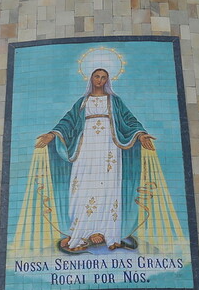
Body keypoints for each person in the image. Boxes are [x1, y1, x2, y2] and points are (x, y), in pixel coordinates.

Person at [35, 64, 155, 252]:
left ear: (108, 80)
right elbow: (68, 121)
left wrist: (140, 134)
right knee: (82, 185)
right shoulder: (82, 102)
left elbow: (129, 119)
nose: (100, 80)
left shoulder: (115, 101)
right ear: (91, 78)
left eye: (103, 77)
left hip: (109, 148)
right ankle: (82, 233)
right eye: (96, 76)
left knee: (108, 185)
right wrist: (52, 134)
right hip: (86, 147)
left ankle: (109, 233)